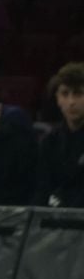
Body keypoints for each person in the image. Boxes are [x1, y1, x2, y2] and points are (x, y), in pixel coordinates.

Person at [36, 62, 84, 208]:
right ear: (57, 98)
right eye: (65, 94)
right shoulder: (50, 141)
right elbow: (42, 189)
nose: (71, 102)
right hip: (56, 220)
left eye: (78, 93)